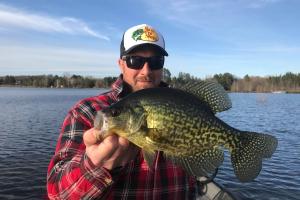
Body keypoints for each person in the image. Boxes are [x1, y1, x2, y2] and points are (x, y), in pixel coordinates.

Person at [47, 24, 200, 199]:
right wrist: (95, 167)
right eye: (135, 60)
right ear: (121, 64)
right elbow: (57, 192)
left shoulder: (183, 102)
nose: (146, 71)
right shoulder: (87, 111)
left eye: (156, 62)